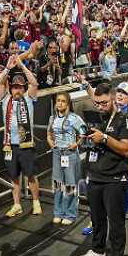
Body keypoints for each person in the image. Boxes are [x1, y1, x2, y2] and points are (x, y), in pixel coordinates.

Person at [76, 79, 128, 256]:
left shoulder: (125, 120)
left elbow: (127, 149)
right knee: (97, 218)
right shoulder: (96, 118)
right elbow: (87, 143)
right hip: (95, 175)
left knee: (116, 220)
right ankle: (97, 250)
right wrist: (84, 141)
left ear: (112, 99)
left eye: (103, 103)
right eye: (97, 103)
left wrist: (104, 138)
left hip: (116, 177)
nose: (100, 107)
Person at [0, 53, 41, 218]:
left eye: (20, 87)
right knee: (13, 177)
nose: (17, 90)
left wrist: (22, 66)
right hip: (9, 144)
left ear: (23, 88)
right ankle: (16, 204)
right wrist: (8, 68)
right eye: (15, 87)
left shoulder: (29, 99)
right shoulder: (5, 100)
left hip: (26, 144)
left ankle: (36, 202)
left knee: (31, 174)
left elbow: (34, 83)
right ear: (11, 88)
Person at [46, 92, 84, 225]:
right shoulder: (53, 118)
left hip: (70, 153)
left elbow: (84, 132)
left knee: (70, 185)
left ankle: (70, 213)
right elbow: (49, 132)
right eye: (58, 100)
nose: (60, 103)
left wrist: (76, 144)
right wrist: (50, 141)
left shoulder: (74, 118)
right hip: (57, 153)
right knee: (57, 184)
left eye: (63, 101)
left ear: (68, 103)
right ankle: (58, 212)